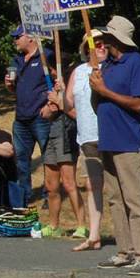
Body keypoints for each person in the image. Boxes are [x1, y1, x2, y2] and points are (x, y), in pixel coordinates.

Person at [90, 16, 140, 275]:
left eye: (107, 35)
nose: (102, 39)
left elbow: (139, 104)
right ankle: (124, 251)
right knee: (116, 199)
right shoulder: (107, 65)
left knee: (135, 199)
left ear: (117, 39)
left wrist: (105, 91)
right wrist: (95, 88)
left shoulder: (136, 63)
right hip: (108, 139)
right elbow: (99, 105)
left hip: (128, 141)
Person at [65, 30, 106, 252]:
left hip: (109, 134)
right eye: (96, 44)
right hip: (87, 136)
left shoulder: (110, 69)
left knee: (119, 186)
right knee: (92, 184)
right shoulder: (78, 72)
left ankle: (129, 236)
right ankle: (94, 235)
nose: (101, 47)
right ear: (87, 48)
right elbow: (68, 103)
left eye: (103, 44)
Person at [3, 25, 52, 206]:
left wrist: (50, 105)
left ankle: (49, 195)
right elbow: (14, 90)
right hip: (21, 118)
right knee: (21, 161)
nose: (14, 40)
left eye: (18, 36)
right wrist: (9, 85)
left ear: (30, 38)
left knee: (49, 158)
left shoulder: (47, 56)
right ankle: (23, 197)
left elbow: (58, 82)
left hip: (41, 116)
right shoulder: (16, 60)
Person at [42, 60, 85, 238]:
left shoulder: (73, 89)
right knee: (51, 185)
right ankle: (54, 226)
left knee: (68, 183)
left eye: (53, 70)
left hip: (67, 135)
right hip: (52, 135)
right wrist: (51, 106)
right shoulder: (54, 89)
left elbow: (78, 114)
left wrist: (61, 103)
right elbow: (44, 114)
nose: (51, 74)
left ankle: (82, 226)